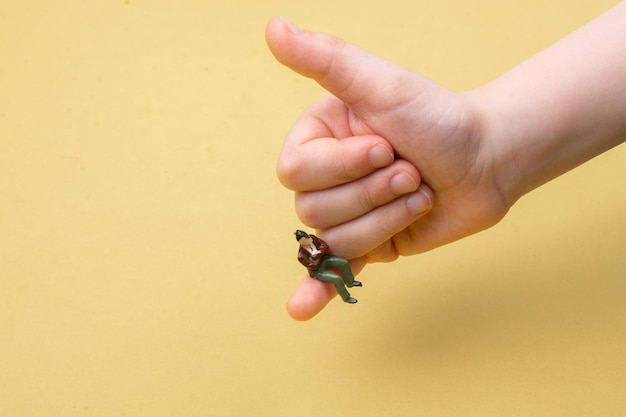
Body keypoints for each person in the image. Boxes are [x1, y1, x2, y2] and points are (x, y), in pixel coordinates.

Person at [266, 2, 626, 320]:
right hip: (340, 253)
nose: (302, 235)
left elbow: (318, 256)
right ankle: (347, 286)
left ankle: (348, 285)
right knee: (341, 263)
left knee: (343, 262)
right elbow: (314, 259)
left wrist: (490, 149)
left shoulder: (312, 247)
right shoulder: (309, 249)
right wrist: (490, 148)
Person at [295, 230, 361, 304]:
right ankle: (346, 297)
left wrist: (317, 255)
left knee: (344, 262)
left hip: (325, 259)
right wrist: (319, 254)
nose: (310, 240)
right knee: (337, 279)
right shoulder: (301, 256)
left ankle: (350, 282)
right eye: (307, 240)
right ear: (301, 242)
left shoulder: (312, 238)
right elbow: (313, 265)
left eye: (309, 238)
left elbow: (324, 246)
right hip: (317, 270)